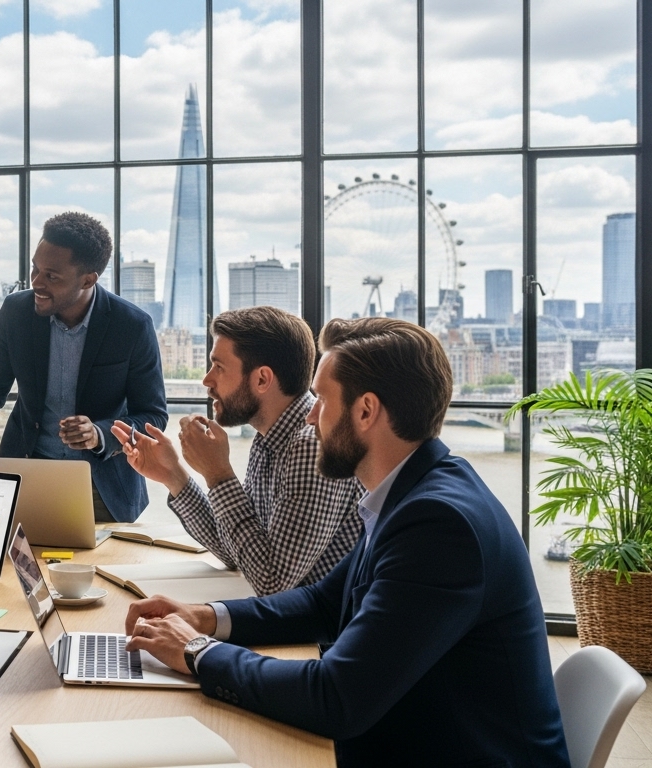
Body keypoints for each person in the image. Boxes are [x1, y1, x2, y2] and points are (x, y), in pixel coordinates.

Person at [122, 317, 569, 766]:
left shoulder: (438, 524)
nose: (310, 416)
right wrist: (202, 618)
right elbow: (321, 603)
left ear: (366, 411)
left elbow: (337, 698)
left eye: (320, 400)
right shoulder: (414, 493)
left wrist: (198, 652)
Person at [0, 212, 166, 523]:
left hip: (102, 486)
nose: (37, 282)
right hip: (25, 473)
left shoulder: (132, 325)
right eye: (35, 269)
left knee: (98, 571)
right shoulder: (16, 312)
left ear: (88, 280)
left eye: (51, 276)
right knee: (14, 569)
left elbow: (153, 416)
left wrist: (98, 434)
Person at [111, 306, 361, 595]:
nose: (207, 381)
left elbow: (271, 582)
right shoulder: (269, 438)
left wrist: (218, 474)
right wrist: (173, 475)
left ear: (262, 379)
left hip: (316, 637)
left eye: (219, 367)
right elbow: (236, 552)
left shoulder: (310, 445)